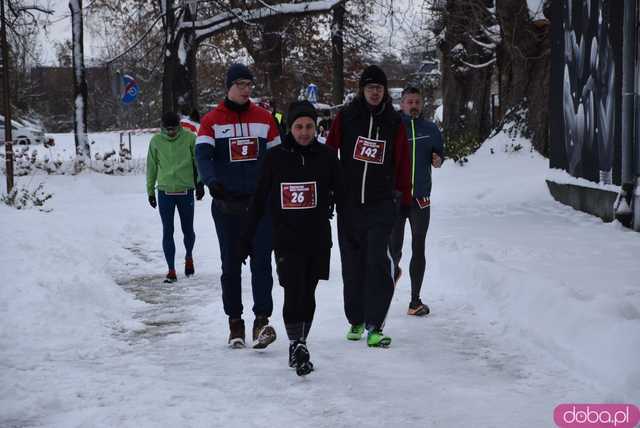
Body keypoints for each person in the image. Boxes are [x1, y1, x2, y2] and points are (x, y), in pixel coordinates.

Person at [239, 100, 343, 376]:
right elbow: (259, 200)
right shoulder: (275, 159)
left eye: (309, 126)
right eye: (299, 126)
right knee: (293, 290)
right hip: (286, 238)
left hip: (318, 237)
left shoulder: (327, 156)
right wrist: (245, 238)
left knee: (308, 293)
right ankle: (296, 344)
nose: (305, 132)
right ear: (290, 127)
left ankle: (301, 343)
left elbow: (343, 194)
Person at [195, 63, 281, 349]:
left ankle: (261, 321)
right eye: (241, 84)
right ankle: (235, 322)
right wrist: (211, 181)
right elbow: (203, 155)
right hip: (227, 206)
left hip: (259, 206)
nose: (246, 90)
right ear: (229, 87)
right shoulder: (212, 120)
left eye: (249, 84)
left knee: (262, 265)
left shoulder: (265, 119)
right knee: (230, 267)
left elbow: (278, 158)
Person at [326, 65, 411, 348]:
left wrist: (404, 198)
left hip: (380, 203)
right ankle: (356, 319)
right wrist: (331, 189)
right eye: (370, 87)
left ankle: (375, 325)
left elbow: (402, 161)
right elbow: (330, 151)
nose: (375, 92)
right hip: (349, 204)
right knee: (352, 264)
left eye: (379, 88)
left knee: (377, 263)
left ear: (385, 91)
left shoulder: (394, 121)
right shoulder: (347, 117)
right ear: (362, 90)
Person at [389, 86, 444, 316]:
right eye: (409, 102)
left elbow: (439, 156)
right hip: (396, 197)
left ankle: (415, 301)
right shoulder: (393, 127)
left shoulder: (431, 129)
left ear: (422, 105)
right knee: (393, 250)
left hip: (420, 198)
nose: (413, 106)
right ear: (401, 104)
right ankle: (385, 292)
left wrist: (438, 160)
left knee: (418, 247)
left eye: (417, 102)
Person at [146, 111, 205, 283]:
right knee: (167, 231)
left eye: (174, 129)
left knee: (188, 230)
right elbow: (151, 167)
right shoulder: (156, 141)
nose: (171, 133)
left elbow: (198, 162)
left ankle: (188, 256)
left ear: (179, 126)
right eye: (168, 129)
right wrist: (150, 191)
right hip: (165, 191)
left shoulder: (189, 138)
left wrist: (200, 183)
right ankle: (171, 270)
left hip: (185, 190)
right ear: (163, 127)